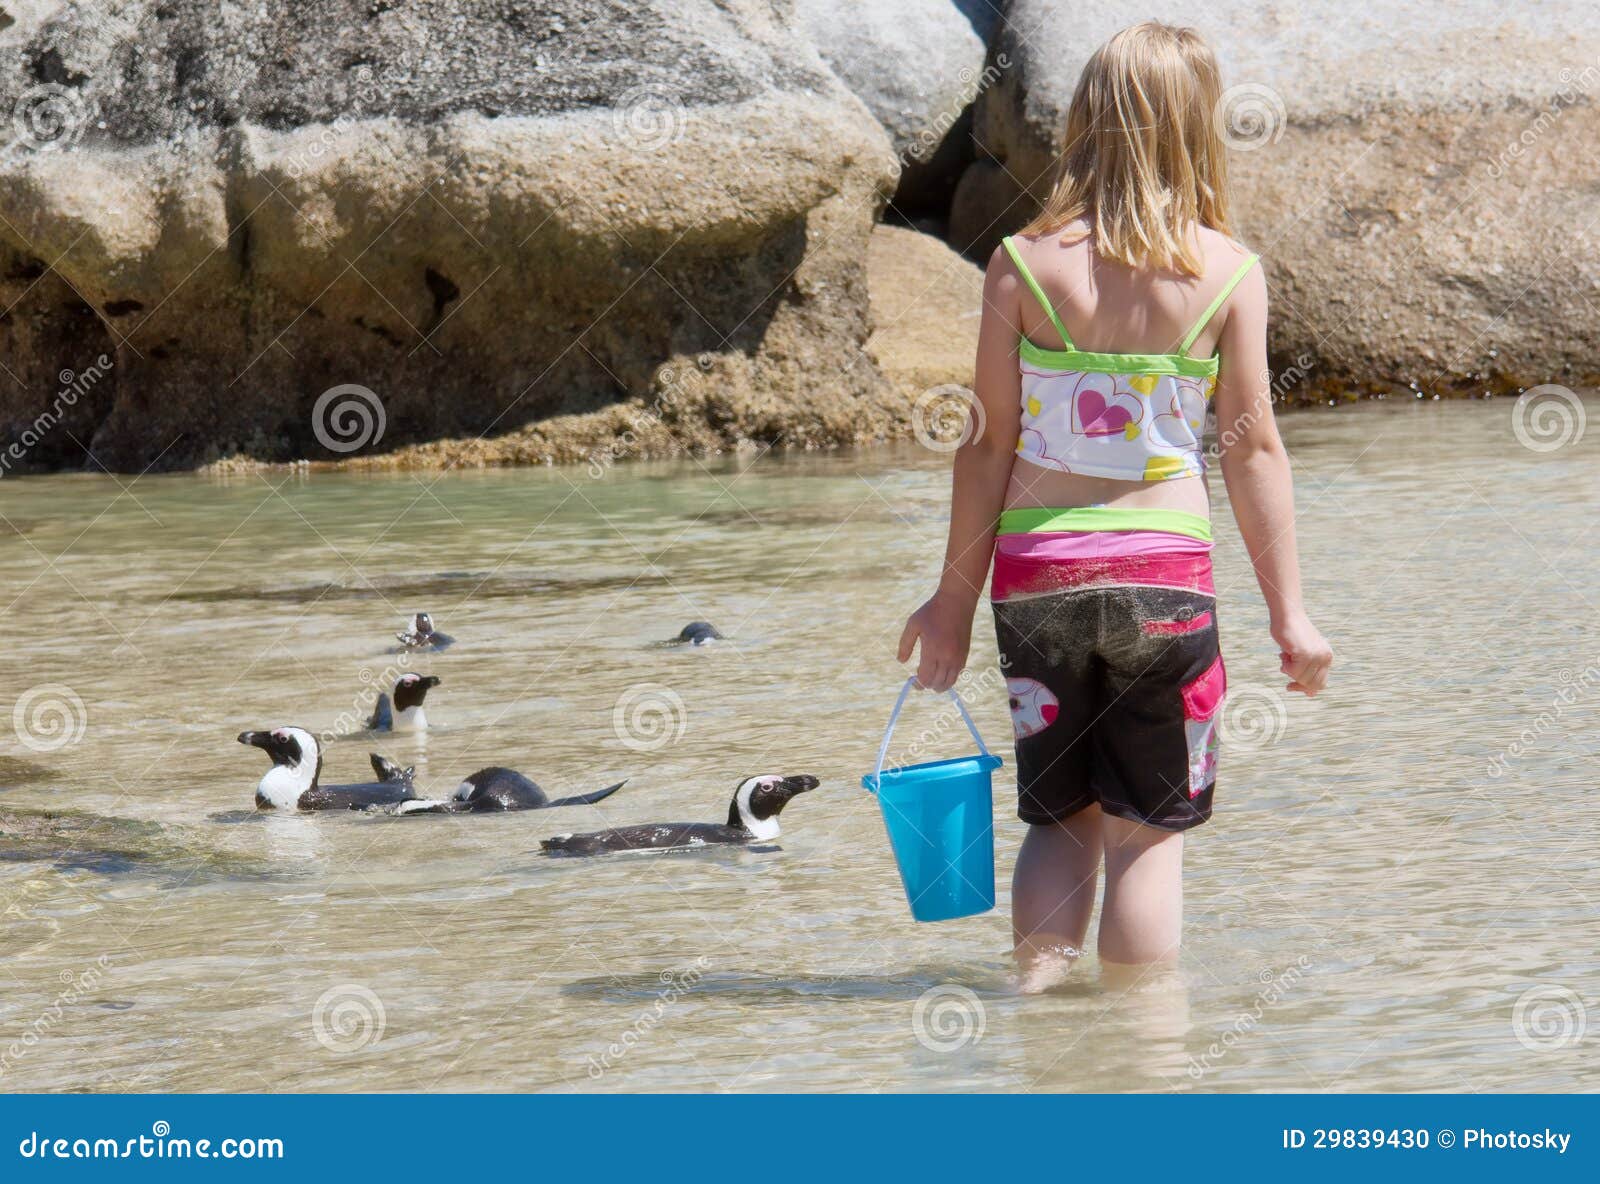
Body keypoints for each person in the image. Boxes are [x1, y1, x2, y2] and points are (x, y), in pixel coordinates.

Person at [897, 20, 1332, 987]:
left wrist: (950, 606)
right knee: (1147, 840)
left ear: (1085, 121)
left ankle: (1040, 1019)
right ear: (1198, 131)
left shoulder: (1024, 265)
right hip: (1163, 587)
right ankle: (1138, 1063)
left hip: (1038, 584)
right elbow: (1253, 445)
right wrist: (1290, 614)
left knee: (1060, 822)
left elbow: (984, 445)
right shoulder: (1226, 272)